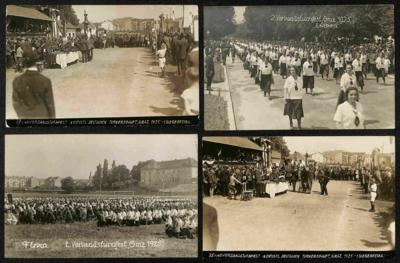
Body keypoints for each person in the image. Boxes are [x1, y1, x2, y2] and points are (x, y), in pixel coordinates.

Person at [12, 52, 56, 119]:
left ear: (24, 63)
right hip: (42, 117)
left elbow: (16, 103)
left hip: (25, 118)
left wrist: (22, 115)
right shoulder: (45, 80)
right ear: (36, 62)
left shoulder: (17, 81)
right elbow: (50, 104)